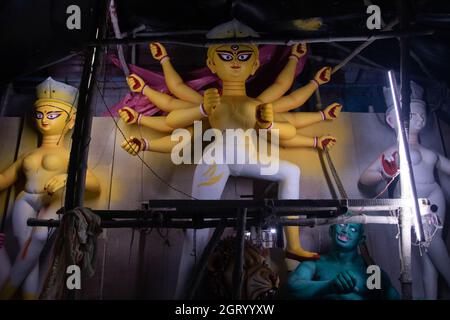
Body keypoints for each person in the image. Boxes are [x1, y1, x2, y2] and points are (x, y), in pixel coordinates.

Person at [0, 77, 101, 299]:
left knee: (36, 240)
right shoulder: (29, 154)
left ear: (71, 120)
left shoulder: (70, 156)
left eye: (53, 115)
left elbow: (95, 185)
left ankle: (6, 292)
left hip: (53, 201)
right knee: (28, 249)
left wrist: (66, 177)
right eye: (40, 114)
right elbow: (5, 178)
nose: (44, 120)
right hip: (25, 198)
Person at [359, 81, 450, 299]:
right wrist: (385, 173)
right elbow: (364, 178)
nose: (418, 119)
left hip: (435, 195)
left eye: (421, 115)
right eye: (413, 115)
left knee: (429, 260)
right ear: (392, 120)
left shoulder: (429, 151)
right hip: (412, 199)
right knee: (429, 240)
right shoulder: (394, 151)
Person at [283, 222, 400, 300]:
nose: (345, 231)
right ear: (331, 230)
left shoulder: (371, 271)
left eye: (353, 229)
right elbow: (291, 289)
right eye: (342, 225)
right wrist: (329, 286)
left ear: (361, 239)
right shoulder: (315, 263)